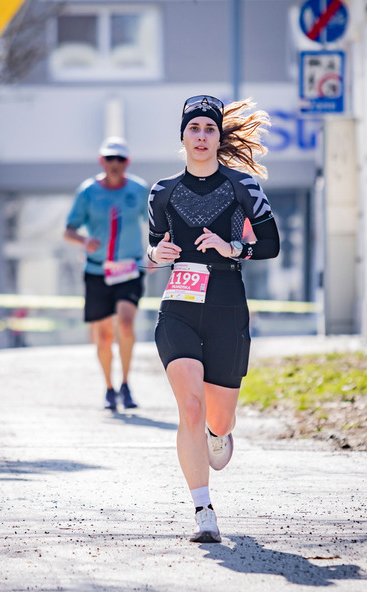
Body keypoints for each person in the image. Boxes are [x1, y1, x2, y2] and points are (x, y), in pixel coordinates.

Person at [147, 95, 280, 543]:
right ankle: (203, 511)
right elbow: (154, 245)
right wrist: (155, 255)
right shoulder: (162, 192)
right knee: (189, 405)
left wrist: (232, 248)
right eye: (194, 128)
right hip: (178, 306)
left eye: (209, 129)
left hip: (227, 305)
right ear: (182, 136)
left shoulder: (244, 187)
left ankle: (217, 434)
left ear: (219, 137)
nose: (201, 136)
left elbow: (271, 244)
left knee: (218, 420)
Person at [64, 137, 149, 410]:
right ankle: (109, 388)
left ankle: (125, 383)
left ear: (127, 162)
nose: (115, 163)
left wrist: (157, 252)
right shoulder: (88, 191)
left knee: (125, 324)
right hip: (97, 270)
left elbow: (156, 223)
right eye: (110, 158)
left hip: (129, 269)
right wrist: (84, 241)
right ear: (101, 161)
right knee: (103, 336)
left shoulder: (138, 190)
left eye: (120, 159)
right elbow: (69, 230)